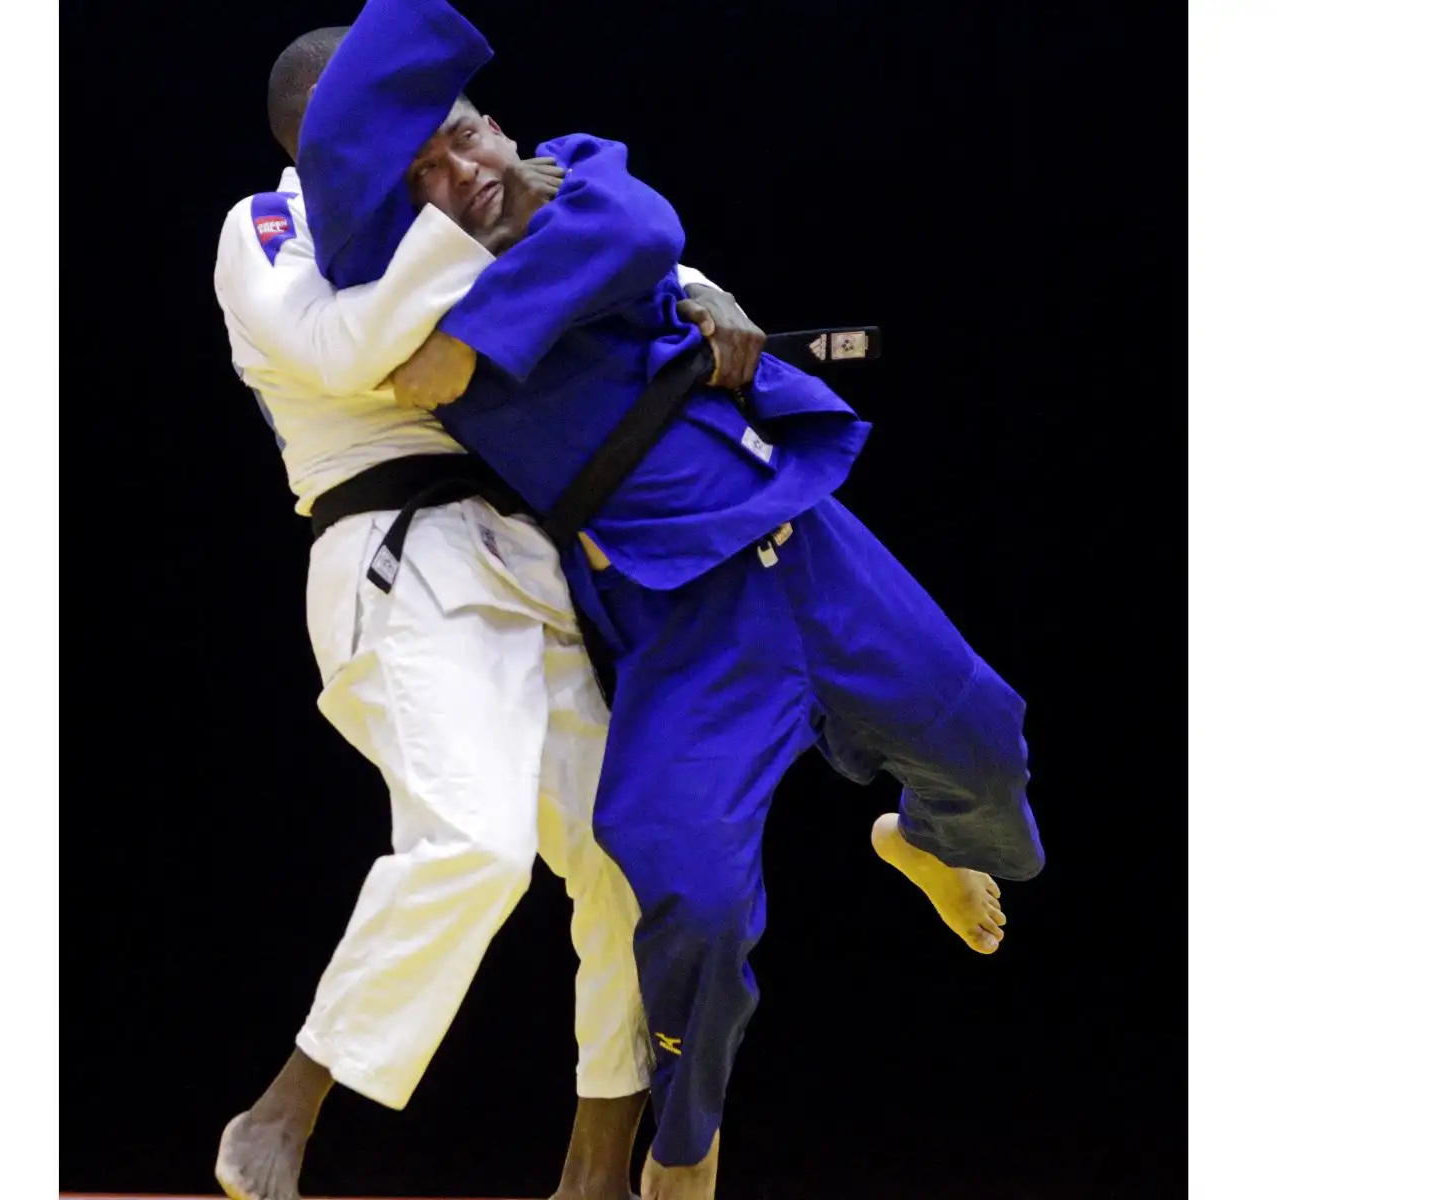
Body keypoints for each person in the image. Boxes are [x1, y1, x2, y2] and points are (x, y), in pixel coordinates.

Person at [296, 3, 1049, 1197]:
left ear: (500, 123)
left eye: (466, 137)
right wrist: (491, 322)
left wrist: (507, 341)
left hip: (801, 545)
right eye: (424, 176)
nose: (463, 174)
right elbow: (433, 321)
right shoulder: (405, 301)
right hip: (680, 622)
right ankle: (686, 1150)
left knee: (992, 752)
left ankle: (928, 839)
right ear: (401, 212)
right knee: (678, 882)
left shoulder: (590, 186)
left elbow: (645, 230)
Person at [209, 26, 764, 1200]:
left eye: (421, 114)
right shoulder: (273, 230)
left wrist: (707, 293)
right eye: (364, 120)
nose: (403, 139)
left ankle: (592, 1168)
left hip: (527, 552)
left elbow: (613, 248)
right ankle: (287, 1104)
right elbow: (350, 350)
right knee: (473, 840)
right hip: (393, 558)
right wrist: (466, 229)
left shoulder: (455, 183)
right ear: (311, 135)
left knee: (624, 862)